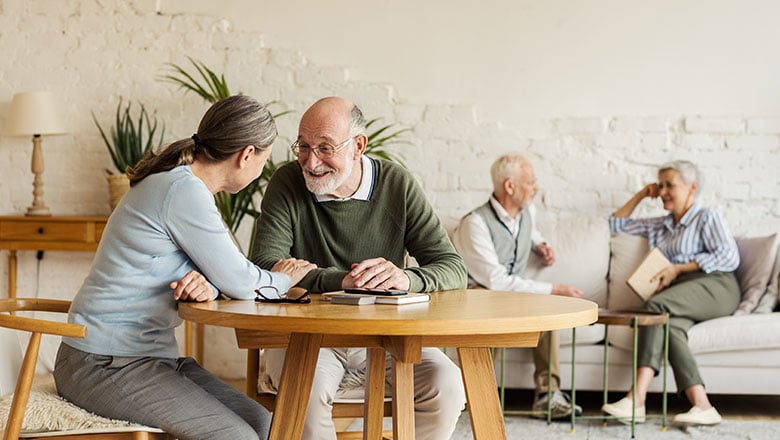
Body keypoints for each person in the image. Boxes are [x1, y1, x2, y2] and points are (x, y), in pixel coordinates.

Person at [53, 95, 315, 440]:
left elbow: (220, 272)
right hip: (102, 362)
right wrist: (286, 277)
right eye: (263, 160)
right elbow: (243, 282)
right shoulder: (182, 191)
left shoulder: (182, 186)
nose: (261, 170)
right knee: (237, 437)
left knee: (266, 426)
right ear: (246, 155)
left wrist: (209, 284)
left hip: (147, 360)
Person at [250, 96, 468, 440]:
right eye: (303, 146)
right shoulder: (287, 182)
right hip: (309, 338)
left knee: (448, 385)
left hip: (389, 337)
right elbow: (265, 268)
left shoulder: (397, 183)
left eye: (325, 148)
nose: (311, 161)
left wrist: (405, 279)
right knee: (303, 389)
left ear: (358, 146)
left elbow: (453, 267)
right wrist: (343, 281)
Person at [602, 160, 740, 426]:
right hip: (681, 295)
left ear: (692, 188)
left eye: (670, 185)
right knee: (671, 327)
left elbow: (729, 256)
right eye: (660, 184)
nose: (663, 191)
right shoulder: (659, 225)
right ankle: (702, 405)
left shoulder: (706, 217)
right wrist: (643, 193)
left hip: (717, 286)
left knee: (655, 307)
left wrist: (678, 269)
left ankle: (636, 399)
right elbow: (616, 224)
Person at [451, 153, 584, 419]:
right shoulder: (474, 224)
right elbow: (495, 281)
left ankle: (548, 396)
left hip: (510, 294)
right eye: (531, 182)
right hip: (480, 293)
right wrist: (554, 289)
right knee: (500, 305)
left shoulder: (527, 211)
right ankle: (477, 393)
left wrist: (540, 245)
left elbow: (528, 231)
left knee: (548, 311)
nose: (536, 187)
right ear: (510, 187)